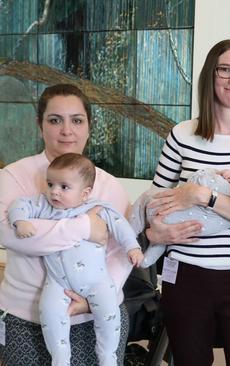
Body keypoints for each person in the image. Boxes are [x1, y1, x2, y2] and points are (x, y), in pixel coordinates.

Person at [143, 39, 230, 366]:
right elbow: (153, 204)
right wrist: (156, 234)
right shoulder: (182, 134)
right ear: (211, 74)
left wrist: (203, 196)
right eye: (225, 69)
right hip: (185, 276)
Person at [0, 84, 135, 365]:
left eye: (76, 120)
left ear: (88, 126)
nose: (67, 130)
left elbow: (121, 252)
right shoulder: (13, 176)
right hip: (26, 319)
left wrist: (95, 300)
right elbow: (11, 235)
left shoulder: (109, 185)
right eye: (54, 120)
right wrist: (86, 227)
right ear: (40, 125)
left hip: (95, 317)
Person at [7, 153, 144, 366]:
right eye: (50, 183)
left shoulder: (98, 208)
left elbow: (122, 228)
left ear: (85, 193)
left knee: (109, 315)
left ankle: (108, 357)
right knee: (50, 314)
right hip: (58, 283)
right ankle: (60, 359)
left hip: (97, 281)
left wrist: (132, 248)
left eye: (64, 187)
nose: (54, 191)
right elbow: (18, 205)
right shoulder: (44, 205)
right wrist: (20, 221)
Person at [130, 167, 230, 268]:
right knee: (142, 247)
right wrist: (151, 234)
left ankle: (130, 243)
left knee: (131, 226)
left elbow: (197, 177)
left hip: (155, 209)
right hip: (176, 256)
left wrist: (209, 187)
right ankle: (137, 254)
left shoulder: (220, 184)